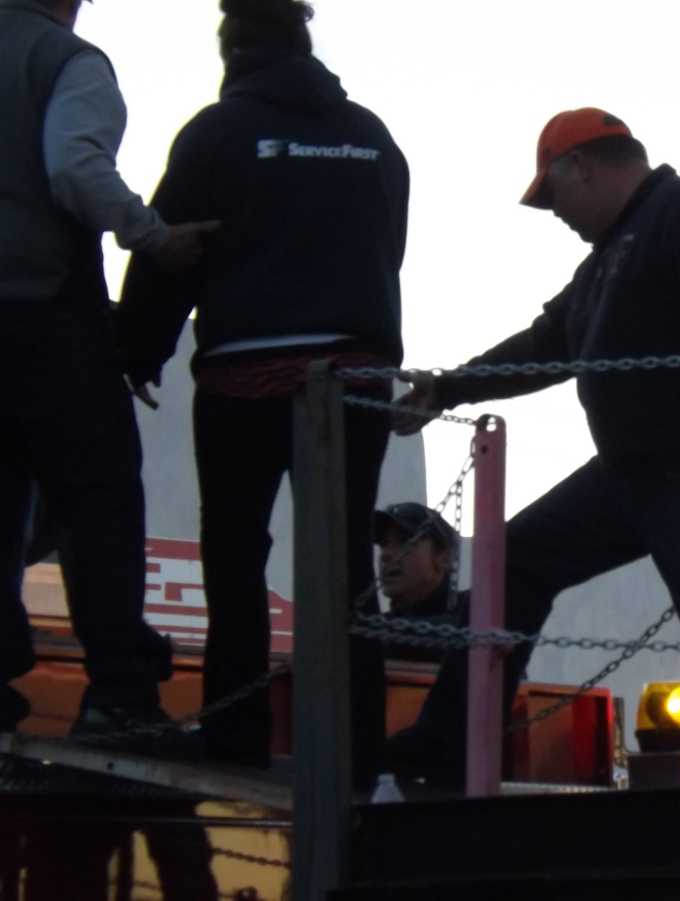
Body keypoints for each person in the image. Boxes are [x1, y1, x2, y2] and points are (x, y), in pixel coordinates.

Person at [395, 107, 680, 786]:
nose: (555, 212)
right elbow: (544, 345)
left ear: (582, 166)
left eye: (553, 193)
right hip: (628, 474)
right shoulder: (603, 265)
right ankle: (445, 747)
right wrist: (449, 388)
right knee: (511, 561)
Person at [116, 0, 410, 784]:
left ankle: (235, 738)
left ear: (232, 49)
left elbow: (170, 250)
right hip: (355, 376)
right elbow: (390, 248)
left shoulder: (217, 133)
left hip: (245, 374)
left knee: (236, 556)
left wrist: (138, 350)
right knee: (344, 568)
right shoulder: (373, 137)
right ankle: (354, 752)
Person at [1, 0, 220, 741]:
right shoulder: (66, 62)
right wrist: (151, 235)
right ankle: (118, 694)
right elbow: (74, 167)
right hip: (48, 317)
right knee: (98, 502)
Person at [373, 502, 462, 665]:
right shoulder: (372, 628)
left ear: (444, 557)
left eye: (404, 541)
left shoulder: (474, 619)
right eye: (384, 544)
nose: (385, 554)